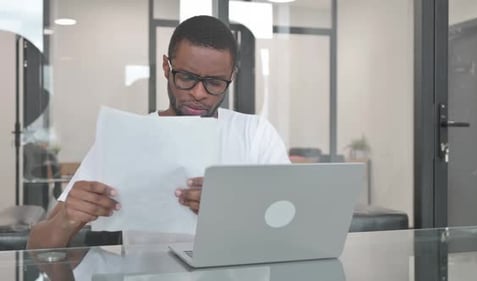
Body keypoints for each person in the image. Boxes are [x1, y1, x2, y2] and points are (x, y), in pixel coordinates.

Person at [27, 15, 289, 249]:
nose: (199, 94)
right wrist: (68, 219)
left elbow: (291, 231)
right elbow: (36, 245)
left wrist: (236, 212)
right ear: (166, 67)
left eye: (214, 83)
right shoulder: (127, 138)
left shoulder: (255, 135)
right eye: (186, 77)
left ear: (231, 76)